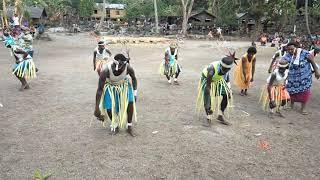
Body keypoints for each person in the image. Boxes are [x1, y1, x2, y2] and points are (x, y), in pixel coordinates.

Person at [94, 54, 138, 136]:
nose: (124, 68)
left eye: (125, 65)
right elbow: (100, 89)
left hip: (124, 85)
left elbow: (134, 78)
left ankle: (129, 126)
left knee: (130, 102)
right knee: (109, 107)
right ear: (117, 65)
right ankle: (115, 125)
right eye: (122, 67)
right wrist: (96, 108)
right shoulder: (106, 70)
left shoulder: (128, 67)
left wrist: (135, 93)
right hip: (110, 87)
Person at [196, 54, 237, 125]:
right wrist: (208, 107)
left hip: (218, 80)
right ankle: (208, 118)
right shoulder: (211, 69)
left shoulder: (227, 69)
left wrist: (229, 89)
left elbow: (227, 79)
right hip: (207, 79)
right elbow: (208, 89)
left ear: (229, 68)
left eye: (227, 69)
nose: (225, 71)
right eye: (223, 69)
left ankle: (220, 115)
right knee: (208, 97)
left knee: (227, 95)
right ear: (221, 66)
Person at [282, 42, 320, 115]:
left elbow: (312, 61)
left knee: (305, 92)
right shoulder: (288, 55)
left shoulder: (304, 53)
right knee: (292, 91)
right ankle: (291, 106)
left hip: (304, 77)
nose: (290, 51)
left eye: (291, 49)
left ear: (296, 47)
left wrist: (316, 71)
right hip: (292, 78)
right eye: (288, 49)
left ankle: (303, 108)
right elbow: (283, 60)